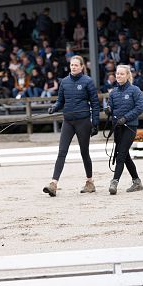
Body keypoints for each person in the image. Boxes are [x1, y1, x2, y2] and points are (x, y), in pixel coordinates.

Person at [43, 55, 100, 197]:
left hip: (83, 121)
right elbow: (60, 101)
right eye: (72, 65)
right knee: (62, 152)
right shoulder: (64, 82)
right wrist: (54, 108)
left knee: (84, 152)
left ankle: (90, 182)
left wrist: (95, 123)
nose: (73, 67)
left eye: (76, 65)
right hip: (68, 121)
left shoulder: (88, 81)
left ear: (81, 67)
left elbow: (95, 103)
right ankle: (53, 183)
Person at [105, 65, 143, 195]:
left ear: (127, 76)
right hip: (117, 127)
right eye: (117, 74)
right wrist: (108, 109)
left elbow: (139, 107)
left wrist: (126, 118)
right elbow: (110, 105)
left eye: (121, 74)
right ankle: (137, 181)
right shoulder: (113, 92)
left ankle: (114, 182)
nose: (118, 76)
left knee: (121, 155)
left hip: (130, 127)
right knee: (125, 155)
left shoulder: (135, 90)